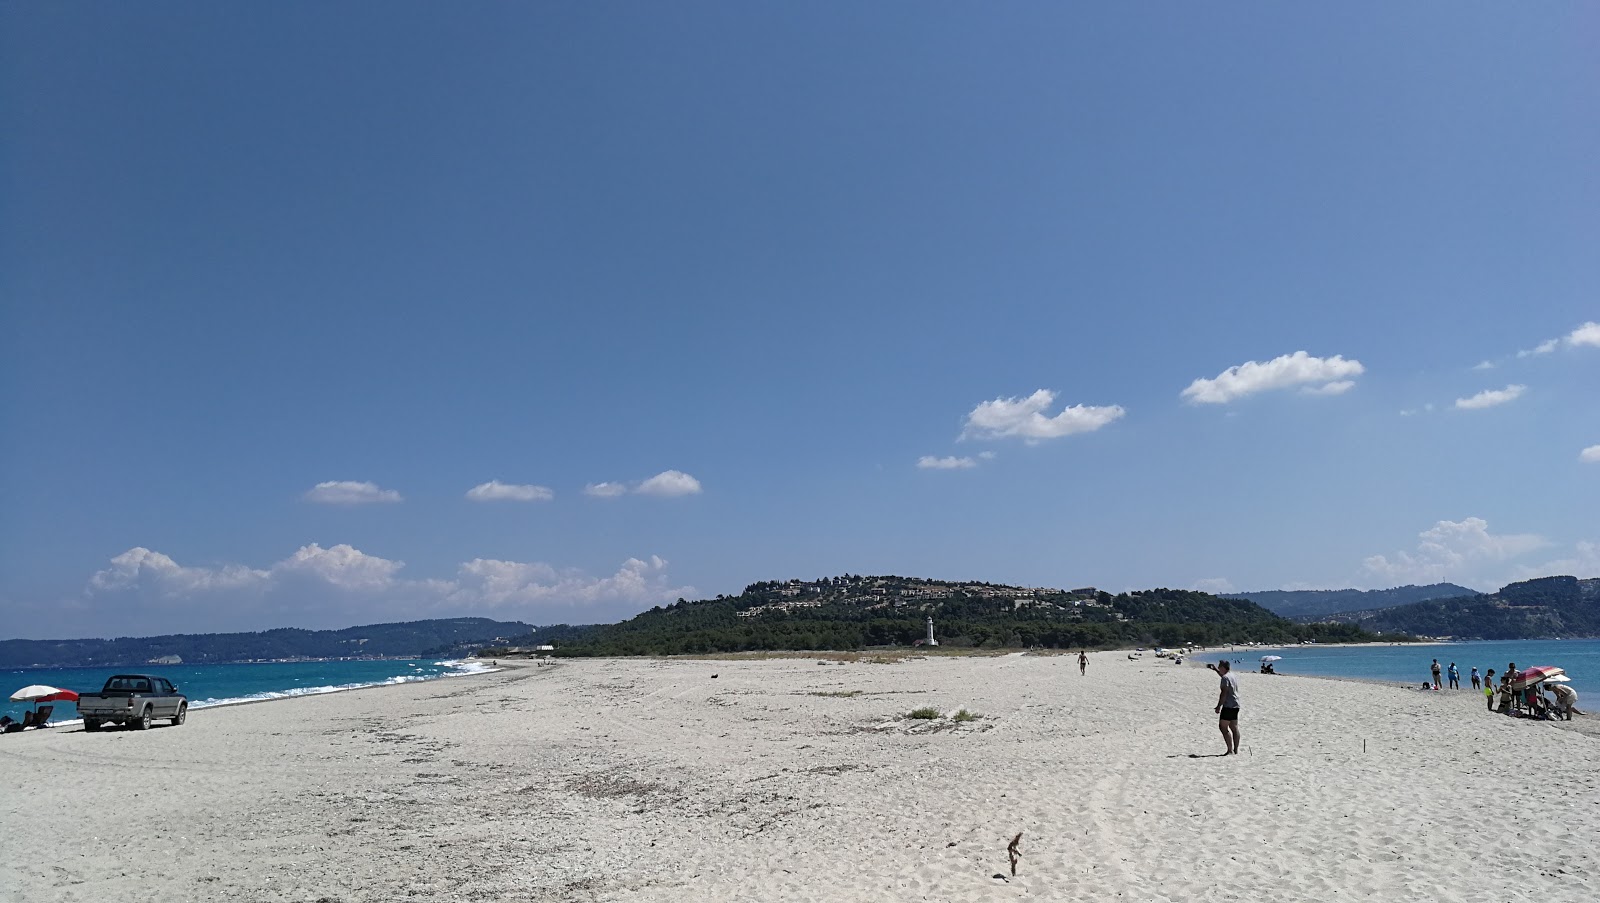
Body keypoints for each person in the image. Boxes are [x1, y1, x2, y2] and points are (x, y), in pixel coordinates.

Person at [1213, 661, 1241, 755]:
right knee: (1234, 727)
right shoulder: (1232, 675)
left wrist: (1218, 706)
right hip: (1236, 704)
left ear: (1223, 667)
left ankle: (1230, 750)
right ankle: (1236, 750)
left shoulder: (1225, 678)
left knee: (1223, 727)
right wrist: (1215, 670)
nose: (1218, 668)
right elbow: (1224, 677)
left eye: (1219, 666)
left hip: (1228, 705)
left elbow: (1223, 693)